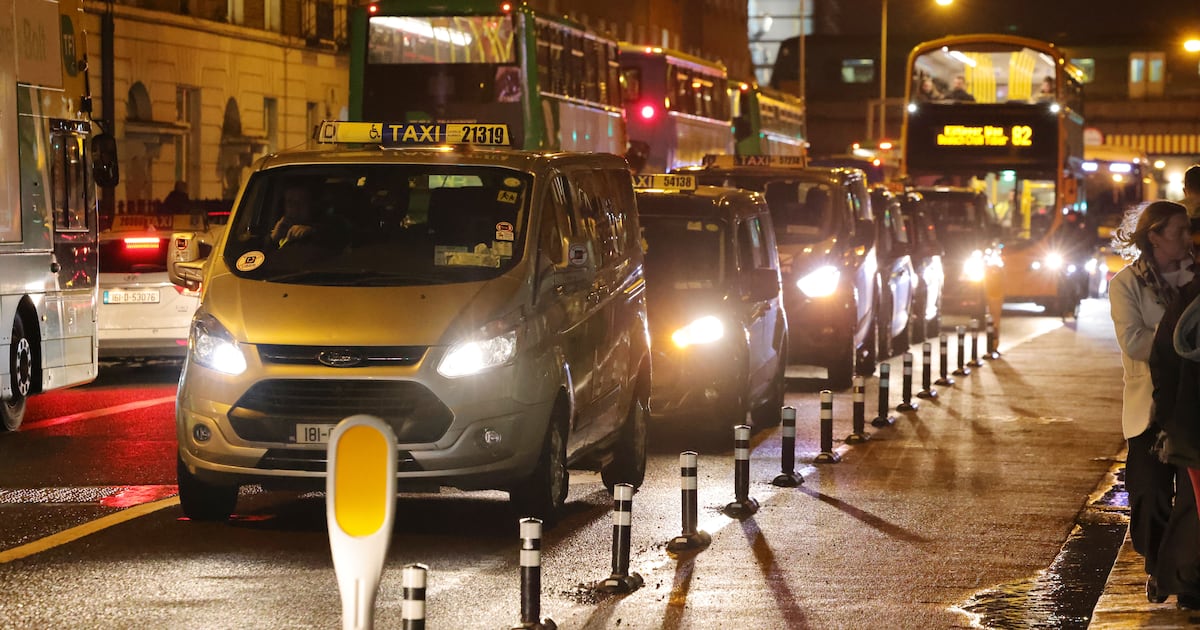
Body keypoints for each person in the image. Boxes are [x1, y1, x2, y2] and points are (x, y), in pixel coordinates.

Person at [1110, 200, 1197, 606]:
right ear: (1155, 235)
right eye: (1178, 231)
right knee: (1151, 495)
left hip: (1190, 401)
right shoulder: (1127, 283)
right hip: (1149, 406)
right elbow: (1134, 341)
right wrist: (1181, 343)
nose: (1186, 238)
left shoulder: (1194, 278)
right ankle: (1157, 566)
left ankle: (1180, 577)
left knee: (1191, 498)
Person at [270, 184, 346, 249]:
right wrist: (272, 240)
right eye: (290, 202)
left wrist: (312, 232)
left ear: (311, 205)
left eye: (301, 202)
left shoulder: (331, 226)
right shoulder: (279, 230)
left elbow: (340, 236)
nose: (295, 207)